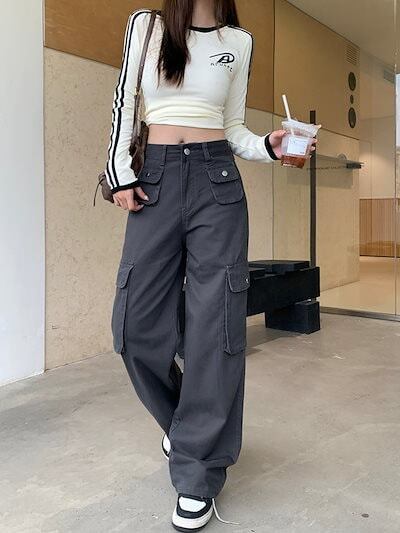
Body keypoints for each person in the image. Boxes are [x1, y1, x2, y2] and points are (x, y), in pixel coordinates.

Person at [104, 1, 316, 530]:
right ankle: (188, 426)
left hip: (216, 184)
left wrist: (268, 146)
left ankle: (197, 469)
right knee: (134, 326)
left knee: (215, 325)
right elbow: (125, 103)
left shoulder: (238, 42)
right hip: (152, 181)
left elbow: (234, 128)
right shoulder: (147, 25)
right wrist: (120, 171)